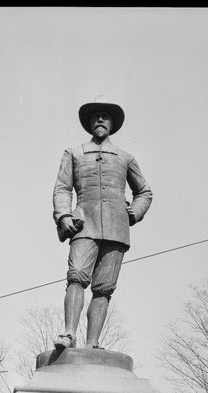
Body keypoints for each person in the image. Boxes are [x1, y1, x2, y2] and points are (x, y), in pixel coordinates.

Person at [52, 96, 153, 349]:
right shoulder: (74, 153)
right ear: (89, 122)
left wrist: (134, 213)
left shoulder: (125, 157)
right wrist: (64, 216)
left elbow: (144, 192)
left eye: (105, 116)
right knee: (76, 276)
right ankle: (68, 334)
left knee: (104, 289)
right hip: (84, 224)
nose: (100, 119)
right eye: (96, 116)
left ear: (112, 123)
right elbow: (62, 188)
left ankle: (92, 344)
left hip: (117, 229)